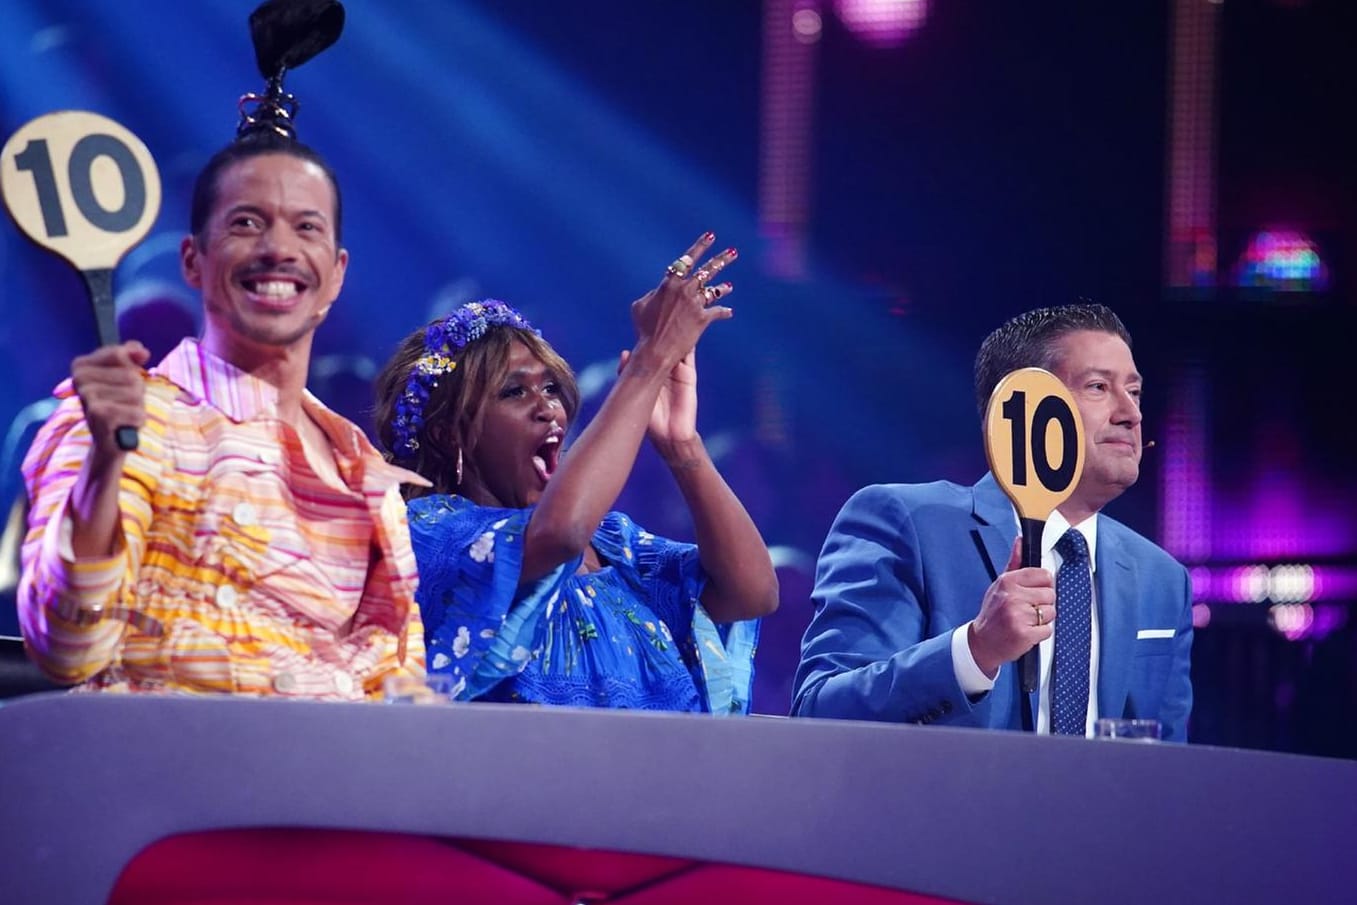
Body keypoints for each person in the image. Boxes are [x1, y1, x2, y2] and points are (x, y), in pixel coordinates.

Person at [17, 59, 425, 697]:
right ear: (193, 261)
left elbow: (398, 684)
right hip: (157, 783)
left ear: (337, 272)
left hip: (331, 789)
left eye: (306, 227)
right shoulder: (121, 420)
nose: (278, 248)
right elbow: (66, 650)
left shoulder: (363, 470)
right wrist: (103, 464)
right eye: (246, 222)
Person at [373, 234, 778, 712]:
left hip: (660, 783)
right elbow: (558, 533)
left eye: (550, 388)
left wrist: (680, 444)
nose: (549, 409)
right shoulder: (426, 532)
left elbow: (750, 592)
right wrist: (649, 361)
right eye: (513, 393)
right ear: (447, 434)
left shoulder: (615, 544)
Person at [792, 304, 1193, 739]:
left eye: (1134, 393)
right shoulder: (907, 523)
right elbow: (820, 712)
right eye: (1098, 387)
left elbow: (1169, 761)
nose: (1130, 414)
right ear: (1024, 407)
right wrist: (976, 649)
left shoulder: (1162, 579)